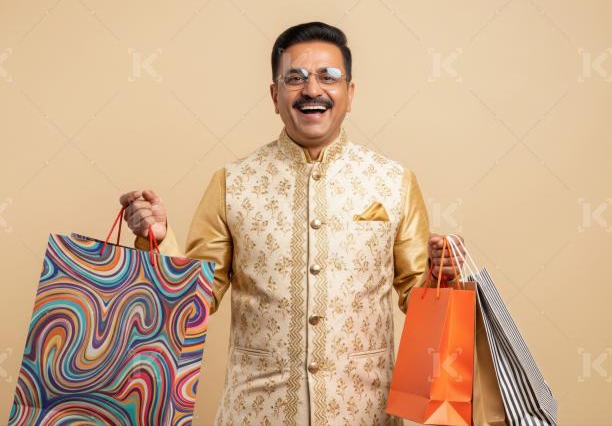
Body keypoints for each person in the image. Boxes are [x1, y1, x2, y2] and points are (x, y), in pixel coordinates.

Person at [119, 21, 466, 426]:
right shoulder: (233, 183)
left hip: (365, 413)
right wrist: (157, 240)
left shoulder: (394, 182)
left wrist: (444, 278)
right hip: (254, 412)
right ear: (274, 95)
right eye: (295, 78)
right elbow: (193, 303)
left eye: (328, 77)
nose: (312, 90)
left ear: (350, 94)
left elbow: (418, 297)